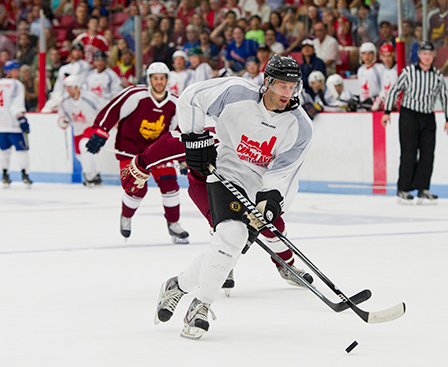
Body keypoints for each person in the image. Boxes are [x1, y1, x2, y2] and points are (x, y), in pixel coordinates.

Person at [120, 55, 315, 339]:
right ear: (267, 82)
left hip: (257, 189)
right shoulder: (235, 93)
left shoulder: (300, 126)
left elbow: (284, 173)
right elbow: (190, 98)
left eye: (292, 87)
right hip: (223, 174)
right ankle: (200, 306)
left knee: (230, 244)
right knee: (230, 236)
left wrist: (270, 202)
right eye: (281, 86)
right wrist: (192, 138)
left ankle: (178, 286)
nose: (287, 94)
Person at [85, 62, 190, 243]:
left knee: (170, 184)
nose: (159, 82)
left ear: (167, 80)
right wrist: (101, 132)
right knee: (136, 188)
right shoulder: (135, 94)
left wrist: (182, 157)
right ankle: (126, 216)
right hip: (131, 149)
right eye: (155, 78)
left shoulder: (174, 102)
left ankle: (173, 224)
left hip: (157, 151)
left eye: (162, 78)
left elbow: (178, 130)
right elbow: (113, 110)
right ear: (149, 79)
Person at [381, 41, 448, 205]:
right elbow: (395, 90)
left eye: (430, 54)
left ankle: (423, 188)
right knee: (409, 152)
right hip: (409, 115)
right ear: (419, 55)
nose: (427, 57)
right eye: (424, 54)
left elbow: (445, 97)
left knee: (428, 154)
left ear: (433, 55)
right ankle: (403, 188)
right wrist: (387, 112)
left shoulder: (437, 76)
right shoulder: (408, 72)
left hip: (428, 117)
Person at [58, 74, 106, 186]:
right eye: (66, 87)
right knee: (80, 155)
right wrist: (63, 121)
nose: (67, 90)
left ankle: (89, 176)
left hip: (92, 127)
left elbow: (103, 108)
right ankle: (94, 175)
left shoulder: (89, 98)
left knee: (85, 146)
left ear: (76, 87)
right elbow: (61, 116)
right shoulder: (65, 102)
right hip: (78, 130)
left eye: (69, 87)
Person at [0, 60, 32, 188]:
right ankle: (25, 175)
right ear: (8, 71)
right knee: (22, 151)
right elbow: (17, 104)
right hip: (13, 125)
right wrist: (22, 119)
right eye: (15, 70)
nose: (17, 72)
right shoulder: (17, 84)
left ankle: (5, 175)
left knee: (4, 152)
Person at [41, 42, 92, 112]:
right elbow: (58, 89)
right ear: (71, 52)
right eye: (75, 50)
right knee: (46, 108)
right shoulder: (64, 68)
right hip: (64, 98)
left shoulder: (86, 66)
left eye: (79, 50)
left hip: (80, 98)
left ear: (82, 53)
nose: (77, 53)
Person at [356, 42, 384, 110]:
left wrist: (378, 101)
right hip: (364, 105)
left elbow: (384, 88)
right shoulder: (360, 70)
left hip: (377, 105)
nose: (366, 56)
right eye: (364, 54)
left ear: (374, 55)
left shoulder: (380, 68)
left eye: (369, 54)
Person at [372, 43, 397, 111]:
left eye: (389, 56)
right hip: (386, 104)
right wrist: (380, 99)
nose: (386, 59)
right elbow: (383, 91)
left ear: (393, 55)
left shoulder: (398, 69)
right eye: (384, 56)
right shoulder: (383, 70)